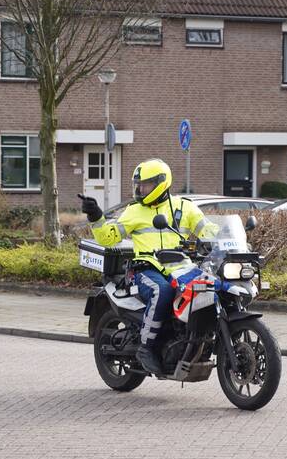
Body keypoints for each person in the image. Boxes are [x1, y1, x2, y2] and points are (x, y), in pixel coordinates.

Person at [80, 159, 212, 376]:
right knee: (163, 290)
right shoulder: (134, 211)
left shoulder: (184, 208)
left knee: (210, 288)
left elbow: (209, 231)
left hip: (181, 268)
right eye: (138, 184)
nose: (140, 189)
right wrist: (96, 217)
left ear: (161, 183)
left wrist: (232, 242)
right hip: (144, 269)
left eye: (145, 184)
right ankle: (146, 347)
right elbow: (109, 237)